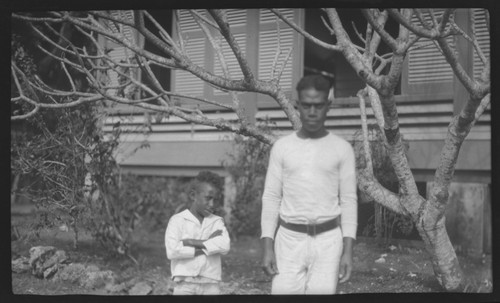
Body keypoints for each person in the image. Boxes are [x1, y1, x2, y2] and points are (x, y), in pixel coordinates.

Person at [260, 75, 358, 294]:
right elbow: (271, 197)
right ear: (298, 105)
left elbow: (349, 201)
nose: (312, 112)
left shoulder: (341, 149)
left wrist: (348, 251)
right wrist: (267, 246)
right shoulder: (282, 147)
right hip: (289, 239)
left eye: (318, 105)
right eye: (306, 105)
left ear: (328, 106)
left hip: (328, 241)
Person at [165, 171, 230, 295]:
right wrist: (209, 244)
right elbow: (172, 251)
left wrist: (190, 242)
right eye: (208, 198)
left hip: (210, 284)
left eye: (216, 200)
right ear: (193, 195)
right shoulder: (177, 220)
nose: (212, 204)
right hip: (184, 284)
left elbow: (224, 246)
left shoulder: (217, 222)